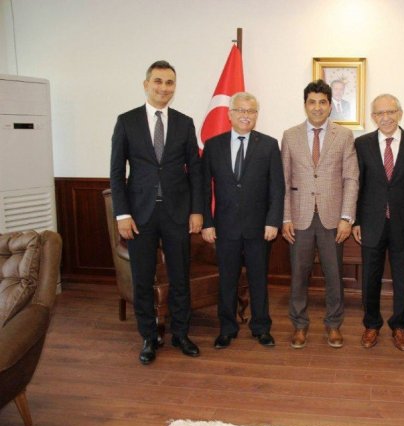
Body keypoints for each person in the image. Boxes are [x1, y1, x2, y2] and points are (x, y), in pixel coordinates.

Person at [110, 60, 203, 365]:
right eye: (158, 81)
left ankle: (181, 334)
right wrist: (122, 215)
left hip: (177, 213)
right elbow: (116, 172)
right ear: (146, 84)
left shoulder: (185, 123)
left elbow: (195, 171)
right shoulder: (127, 121)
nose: (164, 88)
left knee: (180, 277)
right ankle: (149, 337)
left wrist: (197, 211)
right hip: (140, 216)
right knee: (142, 280)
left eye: (170, 82)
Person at [201, 92, 284, 349]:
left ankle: (261, 327)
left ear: (256, 115)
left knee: (259, 280)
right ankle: (227, 328)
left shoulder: (269, 145)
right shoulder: (213, 145)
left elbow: (277, 187)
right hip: (225, 227)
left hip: (259, 228)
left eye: (251, 111)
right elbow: (203, 189)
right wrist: (207, 222)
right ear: (230, 114)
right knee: (227, 280)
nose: (246, 115)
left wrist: (273, 221)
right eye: (240, 110)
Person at [281, 79, 359, 349]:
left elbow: (351, 179)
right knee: (298, 275)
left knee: (334, 275)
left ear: (329, 106)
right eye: (312, 102)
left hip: (332, 218)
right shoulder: (290, 135)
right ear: (305, 105)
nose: (317, 107)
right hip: (299, 217)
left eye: (322, 102)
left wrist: (346, 217)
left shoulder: (344, 136)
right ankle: (299, 325)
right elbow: (283, 180)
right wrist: (285, 217)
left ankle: (334, 325)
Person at [352, 94, 404, 351]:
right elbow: (357, 185)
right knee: (370, 278)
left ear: (399, 113)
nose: (385, 117)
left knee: (403, 279)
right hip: (371, 223)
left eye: (390, 112)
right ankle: (371, 324)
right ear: (373, 117)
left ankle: (400, 326)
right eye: (379, 113)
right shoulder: (361, 144)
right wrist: (356, 221)